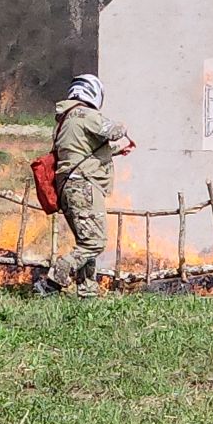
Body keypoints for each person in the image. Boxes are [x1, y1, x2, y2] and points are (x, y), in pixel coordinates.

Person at [37, 73, 132, 298]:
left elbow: (81, 150)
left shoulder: (67, 119)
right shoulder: (85, 114)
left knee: (85, 240)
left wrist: (116, 151)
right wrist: (124, 127)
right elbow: (112, 130)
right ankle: (58, 275)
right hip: (84, 186)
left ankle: (87, 290)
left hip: (69, 186)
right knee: (95, 242)